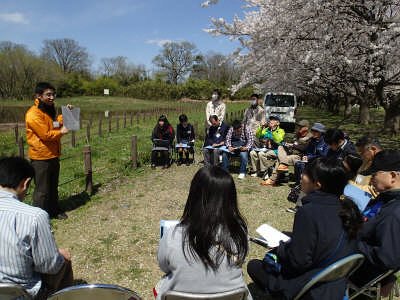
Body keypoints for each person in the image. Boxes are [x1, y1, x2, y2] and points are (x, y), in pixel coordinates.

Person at [247, 157, 363, 300]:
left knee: (254, 266)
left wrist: (282, 248)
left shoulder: (308, 212)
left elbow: (298, 263)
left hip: (311, 287)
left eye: (306, 174)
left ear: (318, 184)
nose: (301, 176)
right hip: (336, 284)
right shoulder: (349, 209)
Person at [155, 167, 251, 299]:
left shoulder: (173, 234)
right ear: (230, 197)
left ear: (194, 195)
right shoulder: (240, 231)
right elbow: (242, 258)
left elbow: (164, 266)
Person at [0, 157, 73, 299]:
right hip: (21, 295)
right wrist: (59, 256)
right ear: (25, 183)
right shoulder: (34, 216)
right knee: (63, 260)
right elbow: (50, 266)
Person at [350, 150, 400, 293]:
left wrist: (350, 241)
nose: (371, 178)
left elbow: (387, 258)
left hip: (359, 274)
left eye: (375, 174)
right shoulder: (386, 200)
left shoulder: (394, 213)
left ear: (392, 176)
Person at [25, 82, 72, 219]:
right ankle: (39, 218)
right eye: (48, 95)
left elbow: (55, 123)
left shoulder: (48, 110)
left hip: (53, 155)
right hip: (40, 158)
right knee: (42, 190)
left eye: (53, 94)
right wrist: (61, 132)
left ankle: (54, 210)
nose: (52, 98)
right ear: (38, 96)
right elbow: (45, 135)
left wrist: (66, 114)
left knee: (53, 186)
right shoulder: (33, 114)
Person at [266, 119, 312, 186]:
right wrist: (287, 145)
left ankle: (272, 179)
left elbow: (304, 148)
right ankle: (282, 165)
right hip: (291, 152)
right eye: (298, 126)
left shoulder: (309, 137)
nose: (299, 128)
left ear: (306, 128)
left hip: (299, 156)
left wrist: (293, 145)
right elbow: (293, 144)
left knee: (280, 160)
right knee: (280, 147)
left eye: (301, 126)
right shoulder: (297, 135)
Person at [249, 116, 285, 182]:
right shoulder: (266, 130)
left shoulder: (280, 131)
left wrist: (273, 130)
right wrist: (261, 127)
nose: (271, 121)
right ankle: (256, 171)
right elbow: (258, 135)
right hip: (265, 149)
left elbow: (278, 139)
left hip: (276, 150)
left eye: (273, 120)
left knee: (261, 154)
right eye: (271, 120)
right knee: (252, 153)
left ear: (278, 123)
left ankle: (265, 171)